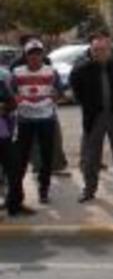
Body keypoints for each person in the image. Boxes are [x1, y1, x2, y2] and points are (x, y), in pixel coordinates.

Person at [71, 32, 113, 203]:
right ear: (91, 51)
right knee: (91, 156)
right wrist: (89, 106)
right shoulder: (81, 69)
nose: (99, 53)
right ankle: (89, 190)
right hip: (94, 119)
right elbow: (76, 91)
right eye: (96, 50)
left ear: (109, 50)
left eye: (103, 49)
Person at [9, 40, 62, 206]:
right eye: (31, 54)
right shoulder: (17, 73)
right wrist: (14, 100)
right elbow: (10, 94)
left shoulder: (52, 72)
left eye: (38, 53)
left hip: (46, 119)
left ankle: (44, 190)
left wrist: (57, 95)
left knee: (46, 157)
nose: (35, 57)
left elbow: (60, 91)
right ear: (26, 56)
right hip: (25, 120)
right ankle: (17, 194)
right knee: (21, 158)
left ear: (42, 55)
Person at [0, 77, 16, 217]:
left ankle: (12, 204)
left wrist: (3, 108)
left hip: (2, 133)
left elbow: (12, 103)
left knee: (12, 169)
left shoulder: (0, 83)